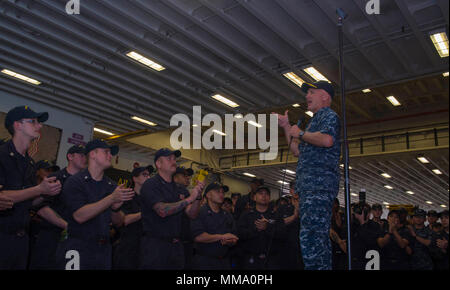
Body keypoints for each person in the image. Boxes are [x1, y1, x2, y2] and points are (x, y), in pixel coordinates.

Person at [274, 80, 341, 270]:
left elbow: (327, 140)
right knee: (311, 237)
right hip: (309, 188)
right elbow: (297, 151)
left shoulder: (329, 116)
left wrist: (301, 133)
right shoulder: (313, 122)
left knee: (313, 237)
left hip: (318, 187)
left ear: (324, 96)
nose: (307, 96)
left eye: (312, 92)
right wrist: (287, 127)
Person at [56, 139, 134, 270]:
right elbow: (80, 216)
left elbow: (120, 222)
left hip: (103, 249)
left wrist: (115, 209)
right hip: (78, 247)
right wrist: (111, 199)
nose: (110, 156)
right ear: (92, 154)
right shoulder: (76, 182)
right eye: (106, 152)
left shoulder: (111, 186)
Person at [0, 105, 62, 269]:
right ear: (17, 125)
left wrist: (46, 193)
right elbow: (2, 197)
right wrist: (38, 190)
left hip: (21, 240)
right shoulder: (2, 156)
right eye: (33, 121)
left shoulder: (29, 163)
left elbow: (27, 203)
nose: (39, 126)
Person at [139, 148, 205, 270]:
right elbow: (162, 211)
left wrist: (197, 197)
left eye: (174, 159)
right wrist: (189, 199)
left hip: (176, 246)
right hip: (156, 246)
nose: (173, 161)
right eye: (169, 159)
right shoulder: (151, 184)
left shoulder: (180, 189)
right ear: (158, 164)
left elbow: (192, 214)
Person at [28, 145, 87, 269]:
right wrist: (66, 225)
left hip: (74, 241)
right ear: (70, 156)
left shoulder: (85, 183)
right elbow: (41, 208)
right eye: (81, 155)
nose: (84, 158)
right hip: (51, 237)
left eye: (86, 156)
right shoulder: (55, 178)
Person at [191, 182, 238, 270]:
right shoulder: (199, 212)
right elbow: (198, 237)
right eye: (217, 191)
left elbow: (234, 237)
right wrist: (222, 237)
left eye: (222, 192)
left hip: (224, 261)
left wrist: (231, 241)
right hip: (204, 262)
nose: (221, 194)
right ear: (208, 195)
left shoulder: (227, 215)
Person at [237, 186, 286, 270]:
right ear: (254, 197)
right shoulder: (246, 214)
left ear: (269, 198)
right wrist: (256, 229)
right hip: (250, 258)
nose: (264, 196)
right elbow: (240, 233)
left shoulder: (276, 215)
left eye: (266, 194)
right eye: (260, 193)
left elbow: (283, 234)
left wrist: (267, 228)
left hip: (271, 260)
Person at [113, 166, 152, 269]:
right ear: (135, 178)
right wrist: (145, 212)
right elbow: (124, 220)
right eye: (144, 174)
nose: (148, 177)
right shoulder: (127, 196)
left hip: (146, 248)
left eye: (149, 175)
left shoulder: (150, 199)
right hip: (128, 247)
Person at [173, 166, 196, 269]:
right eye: (184, 176)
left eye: (188, 176)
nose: (188, 178)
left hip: (186, 240)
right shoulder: (169, 191)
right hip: (173, 241)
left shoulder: (186, 192)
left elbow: (191, 214)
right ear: (175, 177)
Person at [277, 180, 303, 269]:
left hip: (303, 249)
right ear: (290, 191)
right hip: (286, 249)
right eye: (294, 188)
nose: (296, 190)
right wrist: (295, 215)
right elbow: (280, 223)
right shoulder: (283, 208)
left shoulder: (308, 208)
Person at [349, 202, 381, 270]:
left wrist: (362, 222)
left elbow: (371, 241)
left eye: (364, 211)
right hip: (355, 262)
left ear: (369, 213)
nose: (360, 213)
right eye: (358, 211)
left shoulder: (374, 225)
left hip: (370, 262)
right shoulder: (352, 226)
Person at [329, 198, 347, 270]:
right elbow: (329, 231)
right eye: (333, 204)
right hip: (332, 249)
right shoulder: (327, 217)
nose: (335, 206)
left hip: (343, 251)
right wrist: (340, 242)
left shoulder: (343, 216)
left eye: (336, 204)